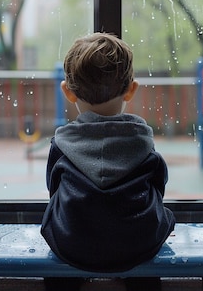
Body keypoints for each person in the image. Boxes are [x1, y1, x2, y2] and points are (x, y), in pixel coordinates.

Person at [41, 32, 176, 290]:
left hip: (73, 242)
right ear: (130, 90)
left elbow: (54, 189)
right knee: (158, 217)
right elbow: (159, 186)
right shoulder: (143, 142)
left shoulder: (61, 144)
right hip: (138, 241)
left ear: (67, 92)